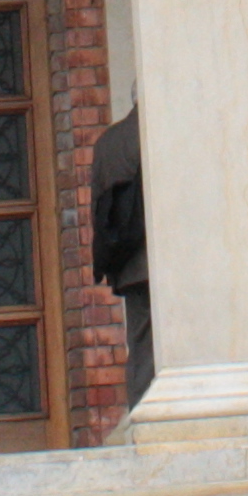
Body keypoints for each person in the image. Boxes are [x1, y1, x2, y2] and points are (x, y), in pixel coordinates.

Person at [88, 107, 148, 408]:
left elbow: (98, 209)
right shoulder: (163, 132)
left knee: (140, 345)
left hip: (131, 264)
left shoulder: (108, 141)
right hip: (171, 258)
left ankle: (139, 411)